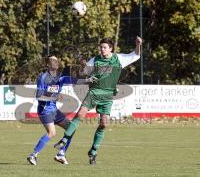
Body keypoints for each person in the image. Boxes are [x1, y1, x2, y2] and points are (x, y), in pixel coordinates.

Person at [54, 36, 142, 165]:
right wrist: (83, 67)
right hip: (94, 92)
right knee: (80, 114)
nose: (102, 49)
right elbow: (83, 72)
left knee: (104, 124)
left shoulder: (119, 59)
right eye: (101, 47)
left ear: (111, 49)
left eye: (105, 47)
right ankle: (64, 140)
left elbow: (136, 55)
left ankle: (93, 152)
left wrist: (138, 45)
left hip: (107, 96)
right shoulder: (95, 59)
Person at [27, 55, 74, 165]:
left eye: (57, 60)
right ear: (48, 65)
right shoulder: (43, 78)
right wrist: (55, 97)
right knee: (52, 133)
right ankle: (33, 155)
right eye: (53, 61)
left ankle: (61, 154)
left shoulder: (59, 77)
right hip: (45, 110)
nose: (56, 62)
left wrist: (88, 79)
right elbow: (38, 96)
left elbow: (74, 80)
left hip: (54, 110)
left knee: (71, 128)